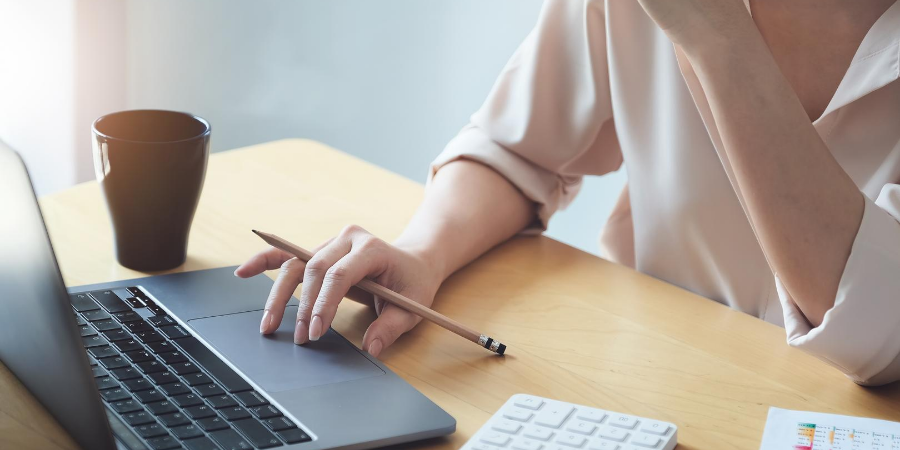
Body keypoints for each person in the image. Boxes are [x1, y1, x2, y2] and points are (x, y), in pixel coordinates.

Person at [237, 0, 900, 385]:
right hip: (661, 392)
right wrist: (423, 253)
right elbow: (515, 149)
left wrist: (716, 35)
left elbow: (877, 329)